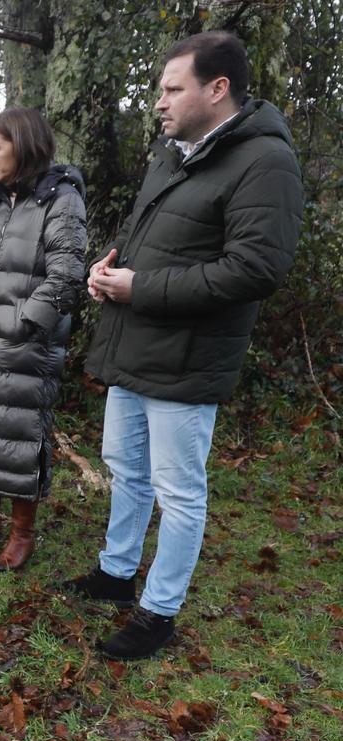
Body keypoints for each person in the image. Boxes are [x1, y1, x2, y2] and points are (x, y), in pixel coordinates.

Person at [64, 31, 303, 660]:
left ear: (217, 88)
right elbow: (151, 237)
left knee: (178, 490)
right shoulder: (175, 153)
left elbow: (255, 269)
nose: (160, 101)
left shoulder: (265, 162)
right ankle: (116, 574)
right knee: (126, 470)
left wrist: (141, 286)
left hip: (189, 357)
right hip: (135, 345)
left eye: (173, 88)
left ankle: (159, 611)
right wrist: (108, 268)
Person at [0, 108, 87, 571]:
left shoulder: (61, 199)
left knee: (21, 433)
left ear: (23, 145)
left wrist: (25, 325)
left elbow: (67, 273)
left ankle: (22, 531)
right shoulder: (0, 202)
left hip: (25, 344)